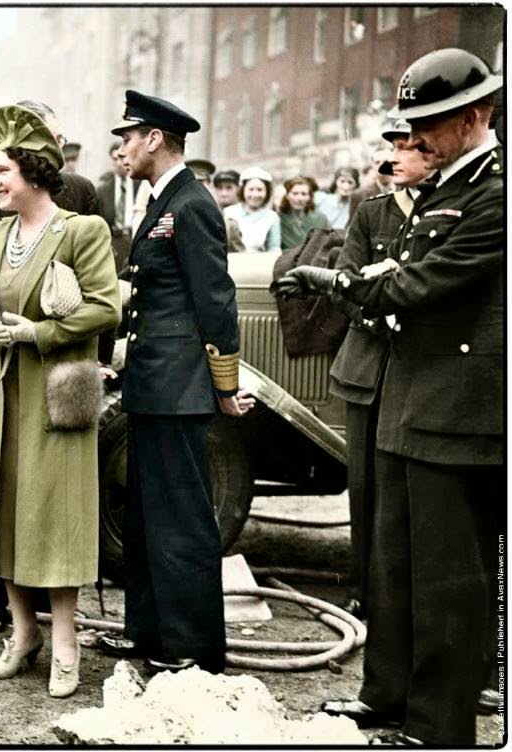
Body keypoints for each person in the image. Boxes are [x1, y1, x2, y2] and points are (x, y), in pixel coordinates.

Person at [274, 48, 503, 746]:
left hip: (457, 413)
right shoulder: (443, 186)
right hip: (408, 400)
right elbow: (393, 275)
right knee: (393, 567)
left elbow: (413, 286)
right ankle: (392, 700)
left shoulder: (494, 195)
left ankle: (438, 729)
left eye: (428, 123)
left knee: (445, 584)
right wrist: (367, 282)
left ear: (477, 116)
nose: (414, 140)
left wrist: (340, 284)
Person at [0, 104, 120, 698]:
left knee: (54, 517)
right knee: (5, 512)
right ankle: (23, 636)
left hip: (52, 397)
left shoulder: (81, 230)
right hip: (2, 393)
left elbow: (106, 307)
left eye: (1, 170)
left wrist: (35, 333)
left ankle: (67, 645)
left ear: (32, 172)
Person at [99, 89, 254, 674]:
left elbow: (216, 302)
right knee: (144, 515)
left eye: (128, 138)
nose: (123, 148)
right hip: (151, 382)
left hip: (182, 388)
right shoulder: (162, 201)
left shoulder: (191, 205)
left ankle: (192, 648)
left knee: (183, 520)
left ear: (155, 139)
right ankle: (147, 632)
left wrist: (223, 384)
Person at [326, 119, 428, 621]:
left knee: (413, 486)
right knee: (365, 487)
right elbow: (345, 281)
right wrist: (376, 310)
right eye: (395, 149)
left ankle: (408, 591)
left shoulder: (442, 213)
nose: (400, 159)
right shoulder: (371, 214)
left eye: (411, 148)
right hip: (368, 365)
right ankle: (367, 589)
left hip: (419, 367)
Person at [96, 141, 140, 273]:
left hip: (135, 242)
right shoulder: (103, 190)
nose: (119, 163)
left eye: (122, 158)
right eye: (115, 159)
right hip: (114, 245)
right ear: (111, 160)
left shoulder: (141, 185)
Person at [223, 166, 280, 252]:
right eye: (251, 189)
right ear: (243, 190)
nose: (255, 194)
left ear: (267, 192)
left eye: (260, 190)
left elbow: (274, 247)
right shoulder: (229, 212)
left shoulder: (272, 217)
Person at [278, 176, 330, 251]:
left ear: (309, 197)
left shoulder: (320, 218)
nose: (299, 198)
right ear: (287, 196)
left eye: (304, 194)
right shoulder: (280, 219)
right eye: (295, 193)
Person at [348, 145, 395, 220]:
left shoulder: (405, 189)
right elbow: (353, 227)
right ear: (372, 165)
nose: (382, 165)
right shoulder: (359, 195)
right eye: (377, 162)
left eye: (386, 162)